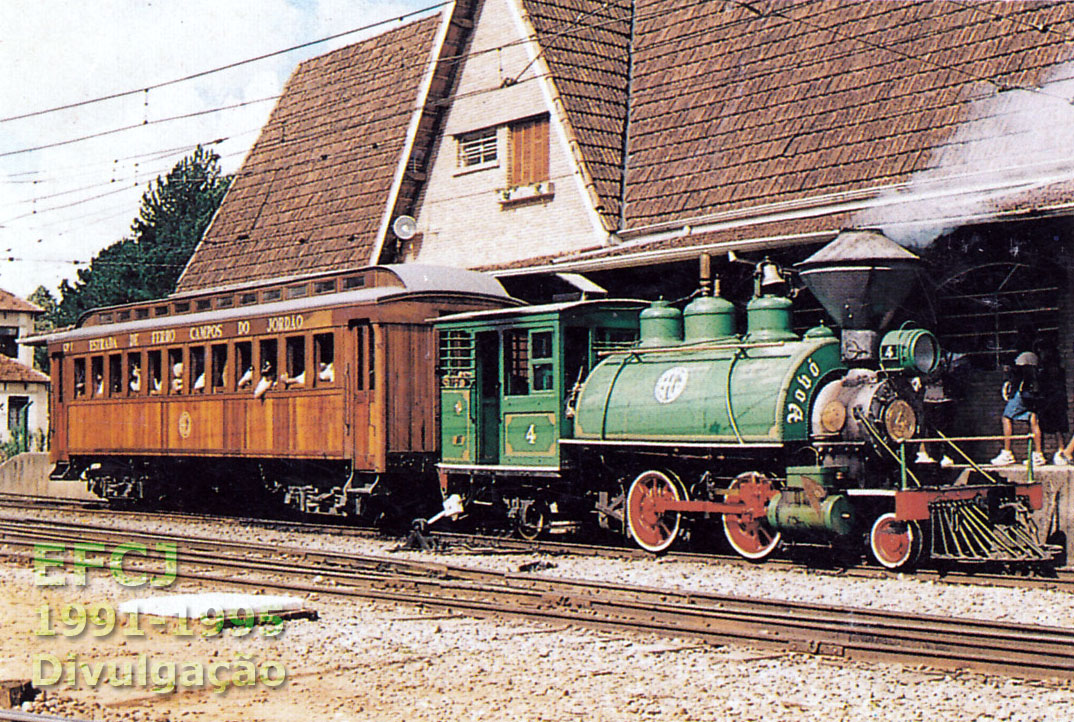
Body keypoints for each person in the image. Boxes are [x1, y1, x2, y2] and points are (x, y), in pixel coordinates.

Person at [990, 330, 1044, 467]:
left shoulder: (1023, 357)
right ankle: (1038, 454)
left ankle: (1007, 452)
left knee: (1006, 417)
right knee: (1033, 419)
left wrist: (1011, 376)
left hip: (1021, 392)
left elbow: (1019, 375)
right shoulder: (1035, 357)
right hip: (1033, 393)